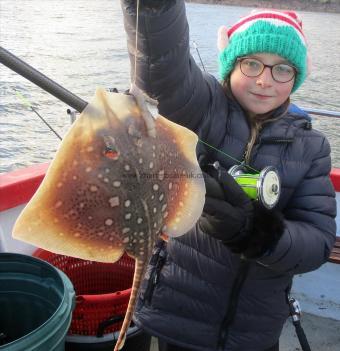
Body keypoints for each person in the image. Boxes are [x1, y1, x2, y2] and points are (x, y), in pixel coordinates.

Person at [119, 1, 337, 350]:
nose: (265, 81)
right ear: (230, 65)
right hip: (179, 315)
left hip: (254, 330)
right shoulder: (202, 107)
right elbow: (163, 70)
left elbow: (318, 241)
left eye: (282, 69)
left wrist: (253, 232)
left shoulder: (312, 147)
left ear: (296, 78)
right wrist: (156, 10)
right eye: (252, 64)